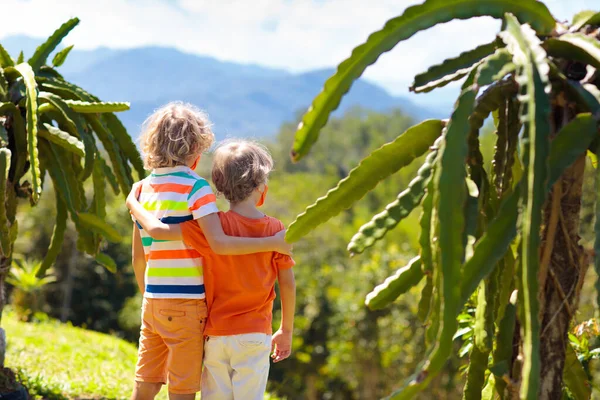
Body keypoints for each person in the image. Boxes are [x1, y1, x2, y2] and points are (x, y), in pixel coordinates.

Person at [130, 103, 292, 400]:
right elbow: (218, 241)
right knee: (182, 386)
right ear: (195, 149)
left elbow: (138, 256)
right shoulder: (196, 188)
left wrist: (148, 293)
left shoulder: (141, 190)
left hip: (152, 300)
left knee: (147, 378)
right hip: (188, 304)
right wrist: (272, 242)